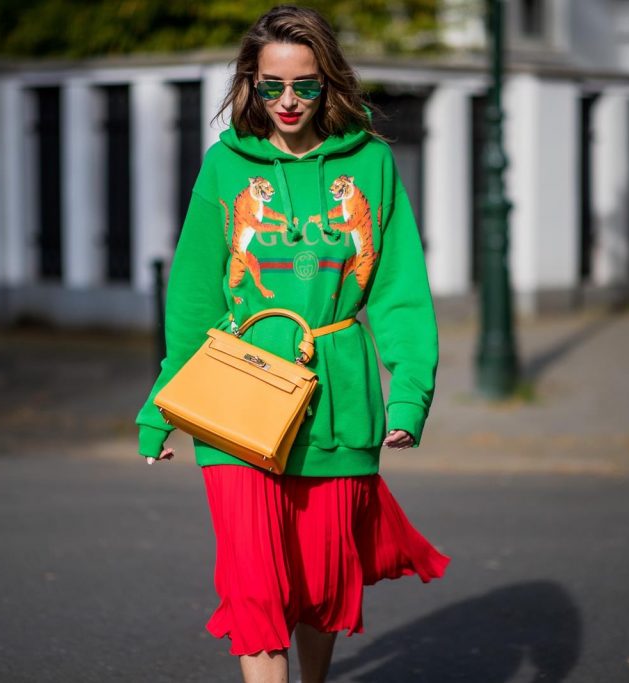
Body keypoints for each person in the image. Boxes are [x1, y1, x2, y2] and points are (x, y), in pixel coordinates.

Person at [135, 6, 449, 682]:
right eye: (270, 84)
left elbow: (400, 290)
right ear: (249, 83)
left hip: (339, 399)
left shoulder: (371, 164)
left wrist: (410, 394)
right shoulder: (224, 167)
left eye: (304, 85)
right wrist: (163, 404)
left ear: (328, 84)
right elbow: (193, 297)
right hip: (235, 399)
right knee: (257, 589)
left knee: (322, 586)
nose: (286, 100)